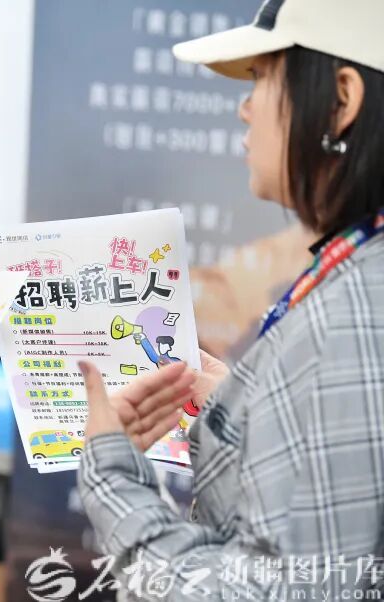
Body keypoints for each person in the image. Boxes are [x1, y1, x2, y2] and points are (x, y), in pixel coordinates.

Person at [77, 0, 384, 599]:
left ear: (341, 101)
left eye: (264, 77)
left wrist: (112, 476)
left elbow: (277, 591)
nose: (246, 107)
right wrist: (246, 412)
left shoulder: (346, 318)